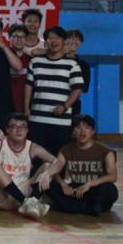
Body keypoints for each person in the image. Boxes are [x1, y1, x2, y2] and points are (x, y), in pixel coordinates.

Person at [24, 26, 84, 155]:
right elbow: (28, 86)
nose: (54, 41)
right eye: (50, 38)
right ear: (46, 42)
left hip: (61, 120)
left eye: (57, 38)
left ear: (63, 41)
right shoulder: (35, 62)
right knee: (36, 157)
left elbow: (77, 90)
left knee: (59, 157)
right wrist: (26, 109)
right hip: (37, 119)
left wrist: (65, 106)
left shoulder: (72, 65)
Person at [49, 115, 118, 216]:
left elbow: (113, 176)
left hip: (92, 189)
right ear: (73, 131)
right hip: (72, 191)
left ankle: (71, 207)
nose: (82, 131)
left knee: (111, 190)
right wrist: (63, 184)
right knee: (50, 184)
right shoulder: (65, 149)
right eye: (78, 127)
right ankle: (88, 208)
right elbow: (55, 171)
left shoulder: (106, 151)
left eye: (87, 127)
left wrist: (90, 184)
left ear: (93, 131)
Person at [65, 29, 91, 116]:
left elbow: (84, 88)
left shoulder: (84, 65)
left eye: (78, 39)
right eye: (71, 38)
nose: (74, 41)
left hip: (74, 105)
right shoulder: (56, 60)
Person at [7, 23, 31, 113]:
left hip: (25, 107)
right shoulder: (1, 58)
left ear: (26, 39)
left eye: (22, 37)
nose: (19, 39)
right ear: (9, 38)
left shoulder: (31, 60)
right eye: (15, 36)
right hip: (5, 107)